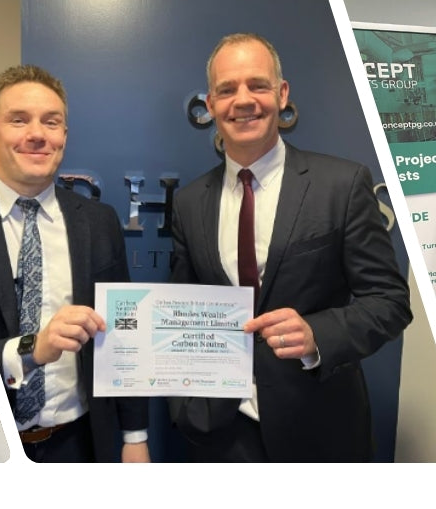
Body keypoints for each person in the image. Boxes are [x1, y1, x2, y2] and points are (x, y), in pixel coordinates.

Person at [165, 32, 411, 462]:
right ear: (211, 103)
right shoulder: (189, 203)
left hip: (319, 426)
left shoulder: (341, 184)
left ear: (281, 94)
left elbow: (390, 302)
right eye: (227, 89)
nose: (243, 100)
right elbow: (182, 307)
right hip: (222, 433)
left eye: (257, 85)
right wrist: (183, 406)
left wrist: (318, 334)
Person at [0, 64, 149, 463]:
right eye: (18, 120)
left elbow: (124, 333)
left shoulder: (99, 222)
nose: (37, 134)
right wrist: (30, 350)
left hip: (78, 443)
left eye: (51, 122)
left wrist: (135, 435)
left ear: (64, 136)